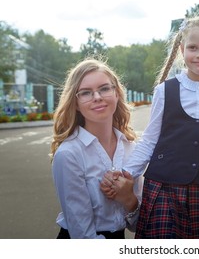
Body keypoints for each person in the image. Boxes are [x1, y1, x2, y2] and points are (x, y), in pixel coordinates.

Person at [107, 15, 199, 238]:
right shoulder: (165, 91)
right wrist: (128, 172)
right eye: (193, 47)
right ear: (182, 49)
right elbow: (150, 140)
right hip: (163, 190)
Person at [50, 57, 141, 239]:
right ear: (75, 103)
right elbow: (83, 235)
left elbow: (138, 224)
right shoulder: (69, 154)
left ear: (116, 93)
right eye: (85, 93)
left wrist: (129, 199)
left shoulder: (131, 148)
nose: (97, 97)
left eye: (104, 88)